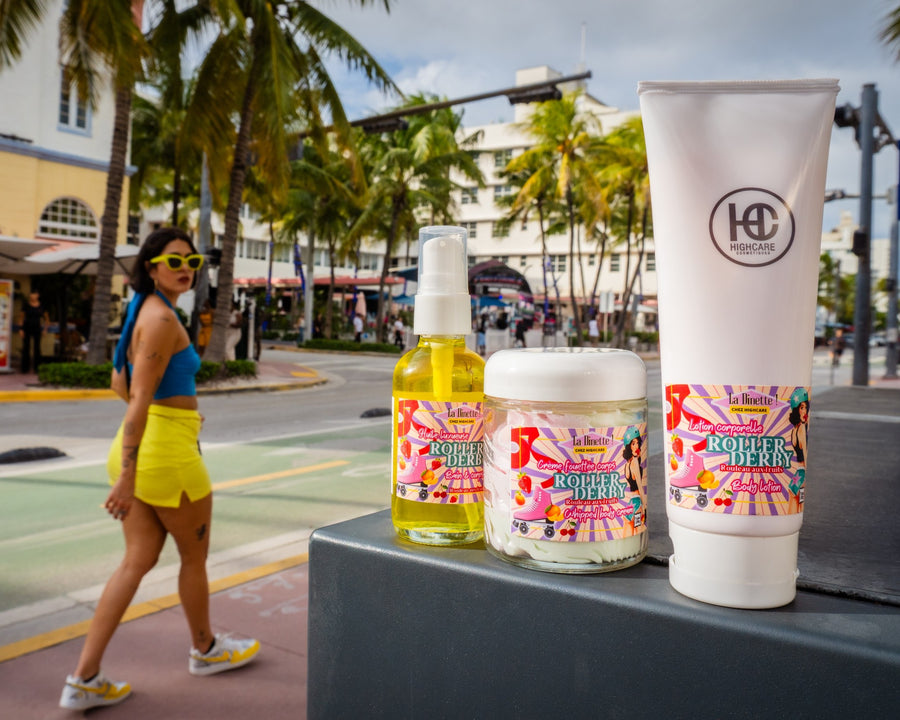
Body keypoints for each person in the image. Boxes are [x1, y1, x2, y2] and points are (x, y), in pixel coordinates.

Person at [59, 227, 259, 711]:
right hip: (165, 458)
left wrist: (179, 414)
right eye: (174, 261)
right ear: (151, 267)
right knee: (193, 560)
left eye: (191, 260)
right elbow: (138, 403)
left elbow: (117, 382)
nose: (186, 267)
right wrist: (132, 471)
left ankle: (83, 678)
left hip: (151, 449)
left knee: (137, 561)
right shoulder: (162, 321)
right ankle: (206, 649)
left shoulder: (141, 310)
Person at [18, 290, 47, 373]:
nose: (32, 296)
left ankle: (37, 368)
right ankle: (24, 368)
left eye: (34, 295)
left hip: (37, 328)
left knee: (37, 348)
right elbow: (21, 318)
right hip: (26, 327)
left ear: (37, 295)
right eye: (31, 295)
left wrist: (45, 329)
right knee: (26, 347)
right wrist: (21, 329)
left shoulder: (42, 306)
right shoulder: (26, 305)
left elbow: (47, 320)